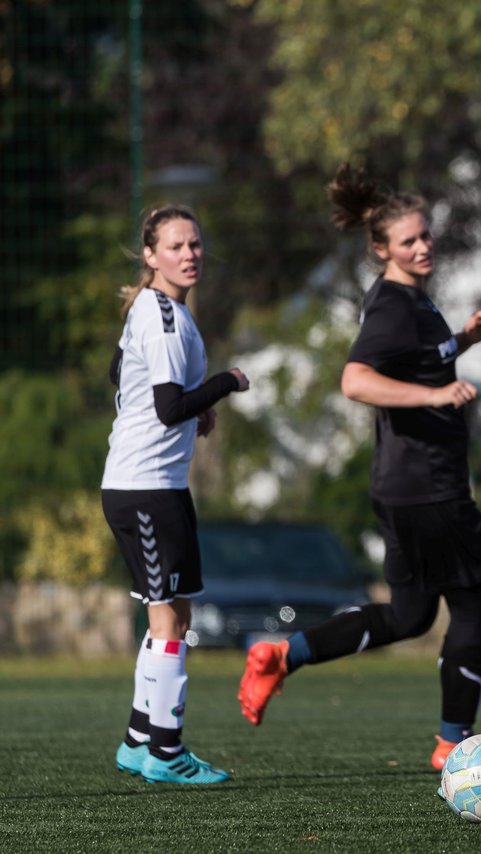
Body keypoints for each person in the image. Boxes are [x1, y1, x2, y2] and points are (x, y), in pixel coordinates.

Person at [236, 165, 481, 772]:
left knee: (409, 616)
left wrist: (461, 342)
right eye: (409, 241)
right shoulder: (391, 305)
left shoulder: (408, 301)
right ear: (381, 248)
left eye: (426, 236)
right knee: (471, 605)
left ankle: (283, 654)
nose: (422, 246)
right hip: (428, 485)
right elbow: (356, 380)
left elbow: (415, 361)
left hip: (402, 486)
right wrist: (436, 397)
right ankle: (452, 742)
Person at [104, 204, 250, 784]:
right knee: (167, 620)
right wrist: (225, 385)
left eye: (195, 244)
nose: (189, 254)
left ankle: (140, 740)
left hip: (160, 485)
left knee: (175, 610)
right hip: (143, 486)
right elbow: (166, 409)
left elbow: (121, 373)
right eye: (175, 246)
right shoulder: (161, 314)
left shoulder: (159, 310)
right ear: (150, 255)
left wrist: (198, 410)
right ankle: (166, 753)